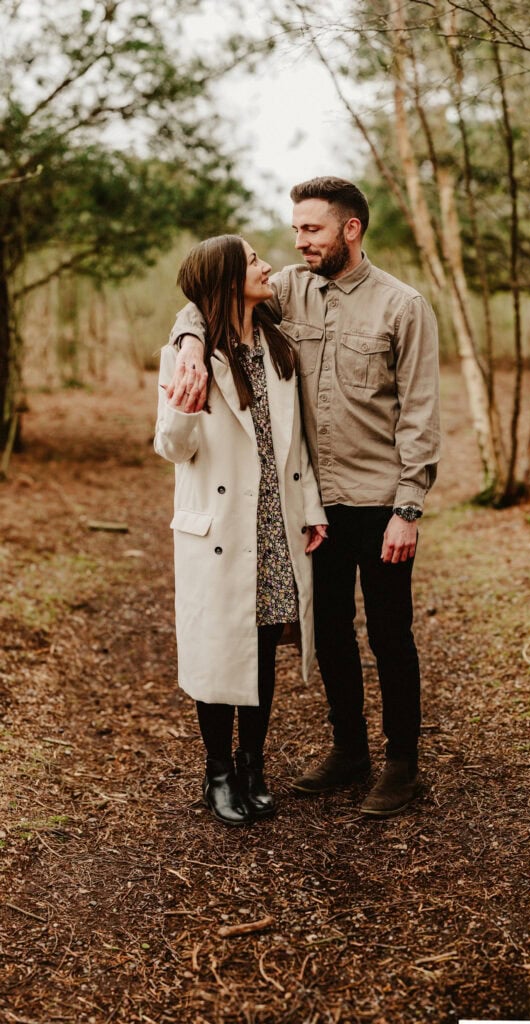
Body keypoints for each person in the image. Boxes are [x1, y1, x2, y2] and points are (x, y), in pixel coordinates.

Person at [166, 178, 441, 818]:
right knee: (330, 630)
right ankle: (350, 751)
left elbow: (420, 415)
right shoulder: (288, 288)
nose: (298, 242)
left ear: (351, 229)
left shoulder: (403, 306)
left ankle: (402, 764)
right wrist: (188, 348)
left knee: (391, 634)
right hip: (311, 508)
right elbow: (204, 301)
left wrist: (407, 508)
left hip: (378, 499)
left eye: (311, 229)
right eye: (294, 230)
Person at [154, 234, 327, 827]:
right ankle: (218, 773)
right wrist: (183, 402)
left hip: (276, 524)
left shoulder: (279, 343)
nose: (268, 265)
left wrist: (314, 511)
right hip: (219, 529)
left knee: (259, 651)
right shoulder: (187, 355)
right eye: (253, 261)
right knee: (217, 650)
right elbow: (172, 448)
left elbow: (298, 441)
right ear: (227, 278)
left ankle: (253, 766)